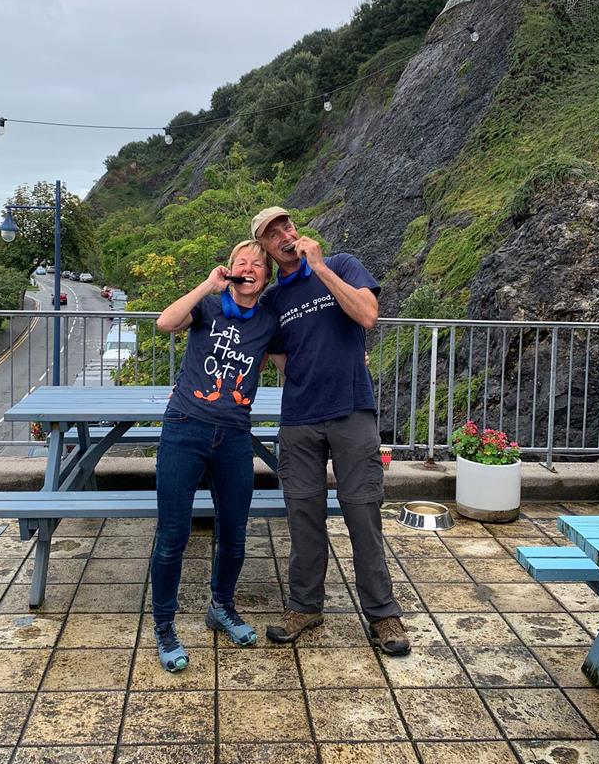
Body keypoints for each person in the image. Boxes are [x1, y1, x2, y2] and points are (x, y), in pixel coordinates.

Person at [252, 206, 410, 656]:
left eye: (286, 225)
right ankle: (305, 606)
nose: (284, 234)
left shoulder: (340, 264)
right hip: (299, 418)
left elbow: (367, 315)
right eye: (272, 233)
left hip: (352, 410)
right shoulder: (273, 300)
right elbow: (278, 357)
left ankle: (383, 614)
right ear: (264, 247)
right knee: (303, 514)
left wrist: (319, 267)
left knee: (363, 512)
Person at [151, 239, 279, 672]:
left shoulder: (267, 321)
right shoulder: (207, 307)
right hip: (186, 428)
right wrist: (207, 285)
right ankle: (165, 627)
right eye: (241, 262)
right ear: (229, 270)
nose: (249, 268)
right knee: (173, 535)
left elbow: (290, 364)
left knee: (235, 532)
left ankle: (221, 607)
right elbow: (165, 323)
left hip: (235, 437)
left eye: (258, 264)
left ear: (265, 276)